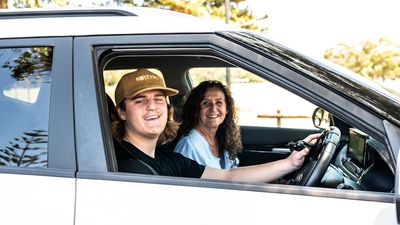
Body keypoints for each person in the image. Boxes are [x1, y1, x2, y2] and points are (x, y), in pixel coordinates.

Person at [112, 68, 320, 183]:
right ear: (122, 112)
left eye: (158, 99)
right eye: (140, 100)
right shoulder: (125, 167)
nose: (152, 107)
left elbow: (228, 176)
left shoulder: (168, 159)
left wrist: (290, 163)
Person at [174, 80, 241, 169]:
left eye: (219, 102)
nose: (213, 108)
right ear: (196, 110)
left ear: (227, 109)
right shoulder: (189, 145)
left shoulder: (223, 137)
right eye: (205, 103)